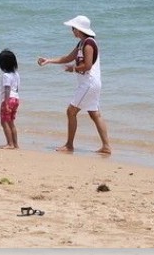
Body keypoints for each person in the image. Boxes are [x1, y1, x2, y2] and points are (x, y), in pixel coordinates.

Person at [38, 14, 112, 155]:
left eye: (73, 28)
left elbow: (88, 65)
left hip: (89, 83)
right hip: (91, 83)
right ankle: (106, 146)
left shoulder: (89, 44)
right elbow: (67, 58)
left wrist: (73, 69)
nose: (72, 30)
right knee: (95, 114)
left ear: (79, 29)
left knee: (71, 111)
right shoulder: (81, 43)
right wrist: (48, 61)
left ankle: (69, 145)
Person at [0, 49, 21, 149]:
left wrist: (6, 103)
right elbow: (16, 88)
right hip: (16, 98)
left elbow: (7, 89)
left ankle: (10, 143)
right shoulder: (16, 74)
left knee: (4, 121)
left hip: (8, 99)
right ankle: (15, 144)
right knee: (11, 121)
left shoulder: (5, 76)